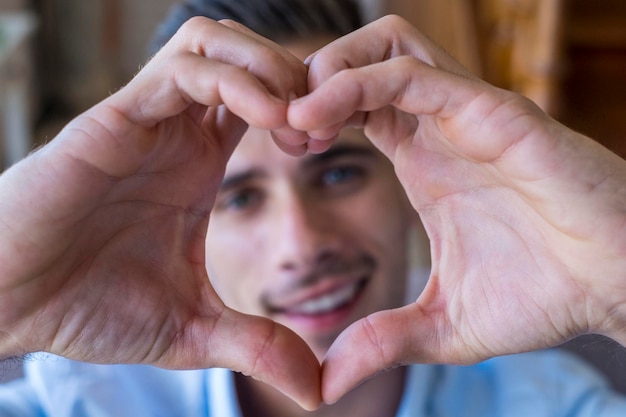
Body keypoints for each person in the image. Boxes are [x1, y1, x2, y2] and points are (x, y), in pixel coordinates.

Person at [0, 0, 625, 415]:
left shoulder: (543, 404)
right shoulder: (89, 399)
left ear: (409, 186)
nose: (303, 244)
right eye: (240, 197)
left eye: (340, 173)